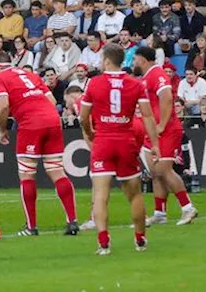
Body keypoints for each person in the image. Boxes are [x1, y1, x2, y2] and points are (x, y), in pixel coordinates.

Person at [79, 43, 158, 256]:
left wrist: (90, 132)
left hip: (103, 141)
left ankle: (103, 242)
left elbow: (83, 117)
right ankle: (140, 239)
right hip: (126, 140)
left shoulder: (94, 83)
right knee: (134, 194)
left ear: (106, 61)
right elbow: (148, 116)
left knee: (101, 195)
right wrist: (155, 144)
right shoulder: (135, 84)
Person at [0, 65, 80, 236]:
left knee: (27, 174)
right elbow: (53, 101)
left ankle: (31, 227)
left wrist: (2, 130)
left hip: (31, 125)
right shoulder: (31, 75)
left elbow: (3, 106)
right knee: (57, 171)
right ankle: (72, 221)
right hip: (53, 120)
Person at [133, 47, 198, 226]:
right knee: (155, 172)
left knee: (164, 170)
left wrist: (162, 124)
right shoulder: (147, 77)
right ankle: (159, 213)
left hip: (166, 130)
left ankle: (187, 207)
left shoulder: (157, 74)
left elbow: (167, 98)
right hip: (153, 130)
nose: (134, 63)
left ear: (143, 60)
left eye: (135, 59)